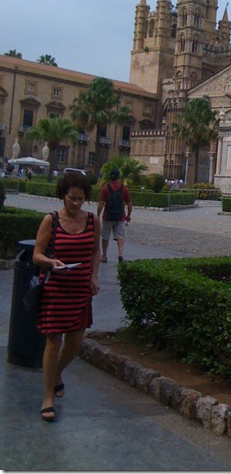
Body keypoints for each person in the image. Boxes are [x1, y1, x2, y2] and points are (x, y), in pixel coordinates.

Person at [33, 171, 100, 422]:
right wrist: (51, 262)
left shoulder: (92, 220)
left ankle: (55, 374)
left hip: (80, 289)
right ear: (63, 195)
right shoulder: (50, 220)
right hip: (56, 289)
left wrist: (94, 276)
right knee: (54, 343)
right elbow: (36, 254)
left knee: (74, 344)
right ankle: (48, 395)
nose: (76, 204)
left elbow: (94, 252)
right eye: (72, 198)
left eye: (80, 199)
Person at [97, 168, 132, 264]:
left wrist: (98, 215)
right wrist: (128, 215)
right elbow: (129, 203)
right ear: (118, 177)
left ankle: (104, 255)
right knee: (120, 236)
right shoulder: (123, 188)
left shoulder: (105, 188)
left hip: (107, 216)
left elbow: (101, 203)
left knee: (105, 236)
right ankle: (120, 253)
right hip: (120, 216)